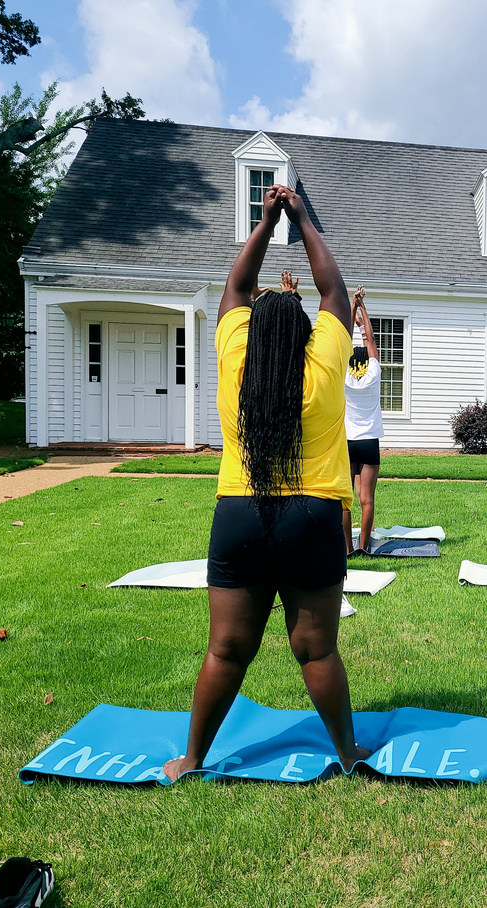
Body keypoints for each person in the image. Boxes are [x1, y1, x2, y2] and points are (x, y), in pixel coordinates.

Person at [164, 184, 369, 781]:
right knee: (317, 649)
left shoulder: (235, 361)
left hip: (240, 514)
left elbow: (235, 287)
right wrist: (301, 219)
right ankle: (348, 753)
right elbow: (333, 291)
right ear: (305, 334)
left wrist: (265, 221)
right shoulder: (325, 365)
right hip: (312, 516)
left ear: (253, 333)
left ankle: (192, 759)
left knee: (226, 650)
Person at [342, 285, 384, 556]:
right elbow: (371, 341)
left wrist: (352, 307)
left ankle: (347, 548)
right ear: (366, 363)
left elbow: (342, 338)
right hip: (369, 443)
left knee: (345, 501)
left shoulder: (344, 377)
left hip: (347, 442)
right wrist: (362, 309)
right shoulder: (374, 374)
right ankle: (364, 546)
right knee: (366, 500)